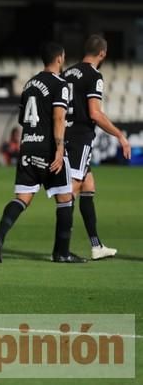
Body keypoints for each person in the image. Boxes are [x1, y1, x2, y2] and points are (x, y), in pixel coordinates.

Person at [0, 42, 84, 264]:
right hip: (49, 147)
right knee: (65, 198)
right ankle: (61, 252)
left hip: (28, 146)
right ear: (60, 58)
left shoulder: (29, 84)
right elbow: (59, 118)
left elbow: (23, 119)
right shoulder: (60, 84)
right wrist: (60, 149)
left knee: (22, 198)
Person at [63, 35, 131, 260]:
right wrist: (120, 135)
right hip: (81, 137)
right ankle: (60, 248)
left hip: (66, 134)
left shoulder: (68, 73)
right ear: (102, 53)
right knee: (71, 189)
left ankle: (96, 245)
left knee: (88, 185)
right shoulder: (94, 75)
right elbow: (95, 113)